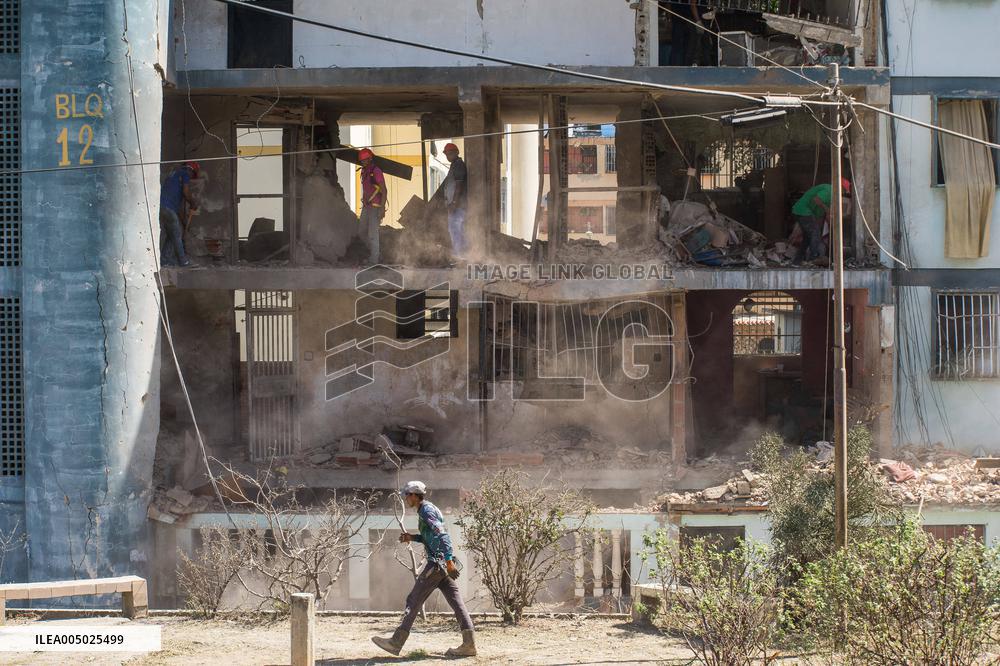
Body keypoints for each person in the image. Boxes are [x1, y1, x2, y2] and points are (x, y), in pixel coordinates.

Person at [372, 481, 476, 658]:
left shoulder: (426, 511)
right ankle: (469, 644)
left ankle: (395, 643)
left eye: (407, 495)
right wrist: (413, 537)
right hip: (441, 564)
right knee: (456, 602)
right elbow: (430, 536)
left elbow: (442, 535)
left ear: (414, 495)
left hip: (436, 564)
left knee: (413, 600)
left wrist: (449, 561)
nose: (405, 498)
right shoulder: (428, 509)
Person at [791, 178, 850, 264]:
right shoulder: (829, 190)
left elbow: (822, 214)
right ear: (839, 187)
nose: (842, 193)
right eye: (843, 190)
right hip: (803, 211)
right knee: (815, 232)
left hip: (802, 211)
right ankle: (814, 257)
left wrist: (830, 221)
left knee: (808, 238)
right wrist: (827, 210)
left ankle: (797, 261)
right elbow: (817, 199)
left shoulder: (831, 196)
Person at [159, 161, 200, 267]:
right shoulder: (185, 173)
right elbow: (186, 192)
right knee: (176, 234)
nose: (190, 179)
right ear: (191, 170)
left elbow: (178, 209)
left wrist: (185, 223)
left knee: (171, 234)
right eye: (192, 175)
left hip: (162, 207)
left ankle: (165, 260)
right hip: (168, 208)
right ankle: (184, 261)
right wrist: (193, 202)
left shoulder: (174, 176)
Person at [439, 143, 468, 256]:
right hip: (455, 205)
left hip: (458, 206)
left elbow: (459, 185)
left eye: (450, 153)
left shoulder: (459, 165)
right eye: (446, 154)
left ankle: (459, 256)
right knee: (456, 230)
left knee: (456, 231)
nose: (448, 156)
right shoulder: (454, 165)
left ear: (456, 152)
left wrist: (454, 203)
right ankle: (461, 256)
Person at [358, 148, 386, 264]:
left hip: (375, 206)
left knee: (372, 234)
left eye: (365, 160)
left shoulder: (376, 171)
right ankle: (376, 254)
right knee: (361, 231)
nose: (363, 162)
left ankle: (374, 260)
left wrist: (382, 208)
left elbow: (384, 190)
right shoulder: (364, 171)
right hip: (366, 206)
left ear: (370, 159)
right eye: (362, 161)